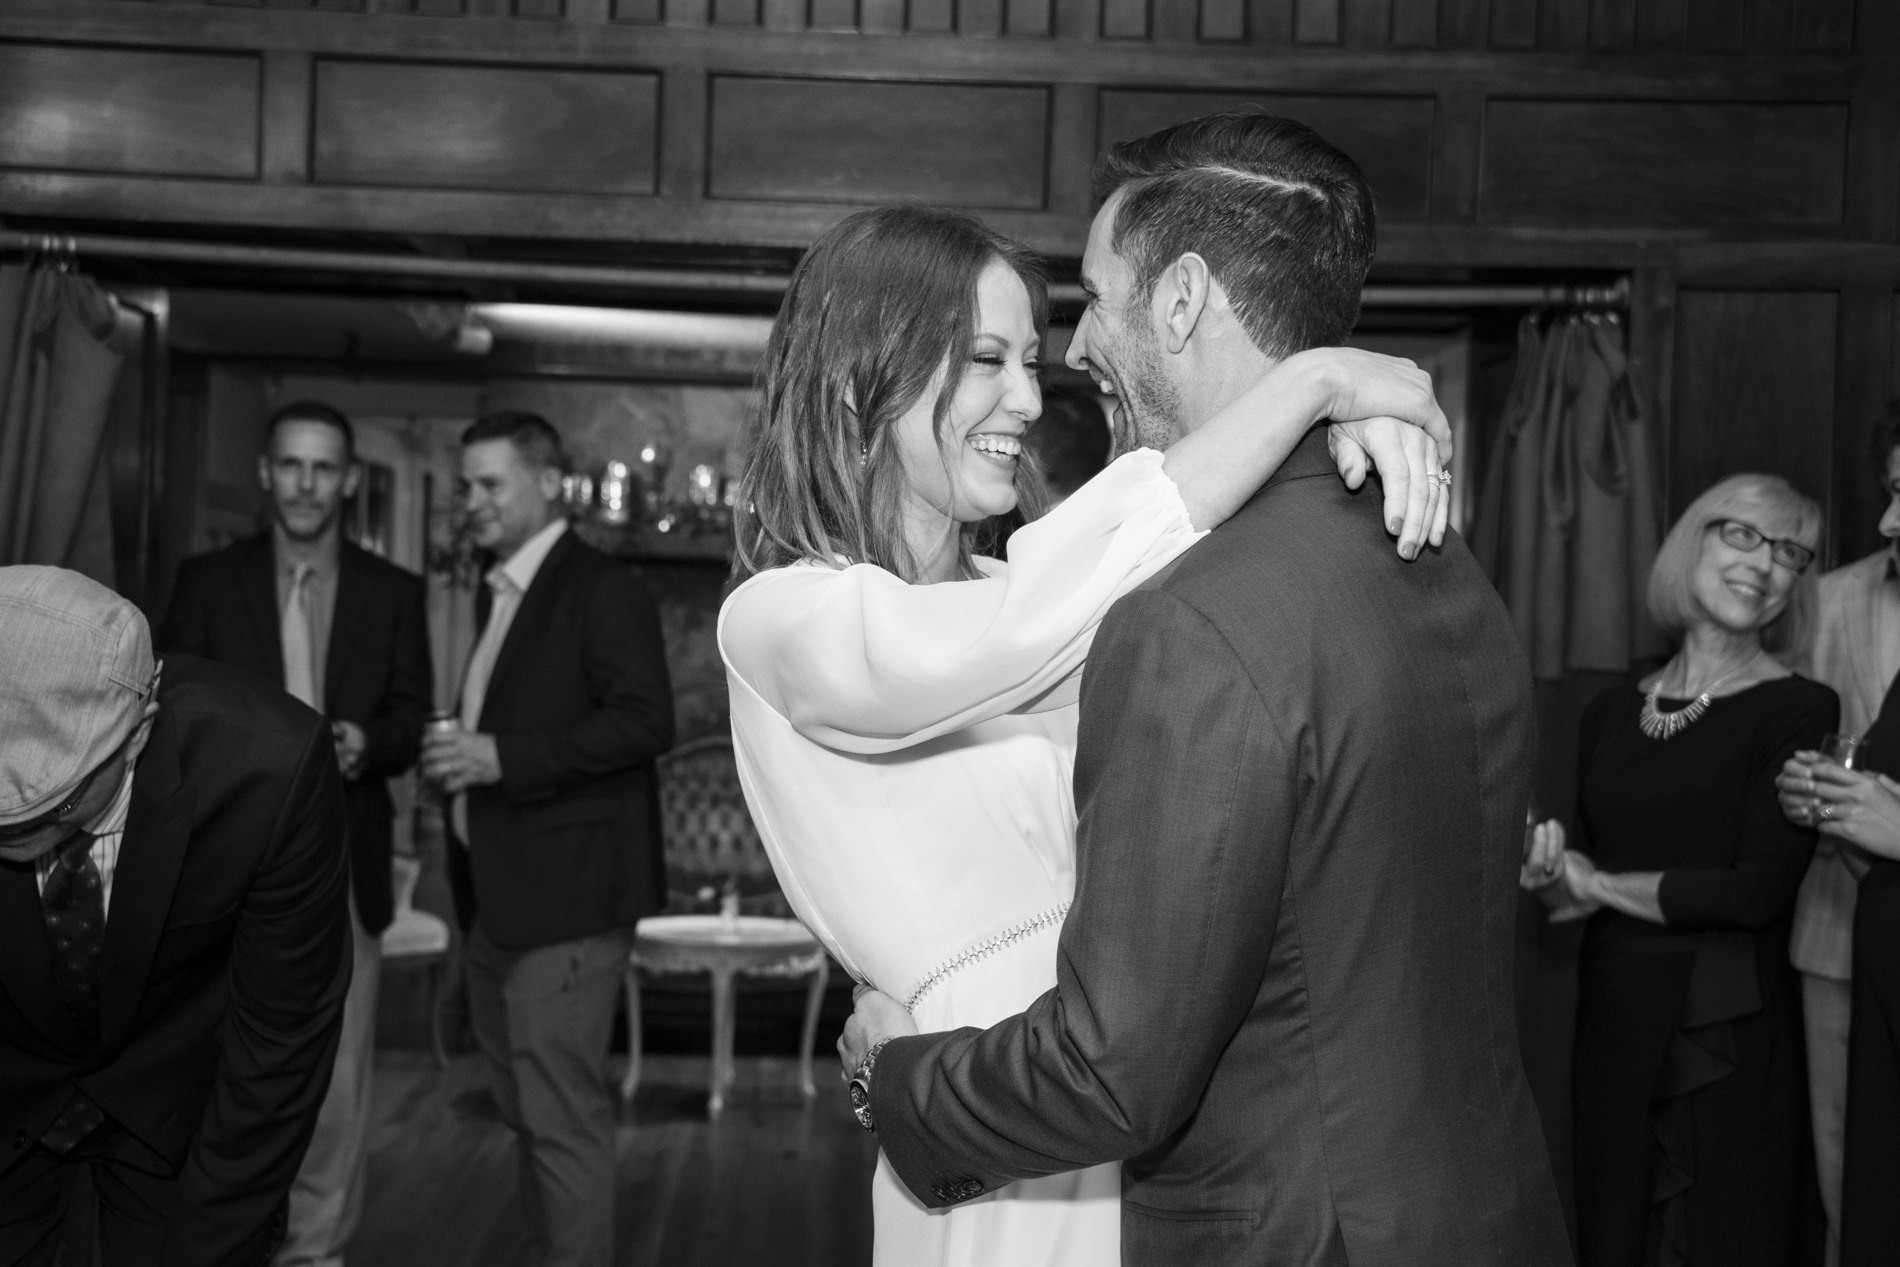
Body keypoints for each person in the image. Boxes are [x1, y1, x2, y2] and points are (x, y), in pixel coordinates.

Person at [733, 119, 1561, 1267]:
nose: (1039, 386)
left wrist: (1324, 413)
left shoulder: (1088, 595)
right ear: (857, 373)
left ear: (1178, 302)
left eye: (1045, 339)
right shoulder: (784, 617)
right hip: (1005, 1134)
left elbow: (1135, 590)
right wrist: (1315, 382)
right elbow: (1014, 627)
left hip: (1113, 1101)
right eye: (987, 358)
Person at [1523, 474, 1836, 1267]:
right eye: (1743, 536)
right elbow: (1574, 891)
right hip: (1612, 1022)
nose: (1766, 565)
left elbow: (1754, 890)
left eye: (1790, 553)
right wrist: (1548, 866)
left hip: (1724, 1025)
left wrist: (1597, 885)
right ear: (1692, 539)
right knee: (1613, 1230)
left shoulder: (1800, 707)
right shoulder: (1609, 713)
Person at [0, 565, 351, 1265]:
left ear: (139, 731)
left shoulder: (270, 771)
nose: (14, 827)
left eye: (57, 800)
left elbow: (278, 1053)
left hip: (180, 1121)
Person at [155, 399, 432, 1267]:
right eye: (291, 465)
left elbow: (410, 715)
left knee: (339, 1079)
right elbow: (166, 714)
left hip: (346, 863)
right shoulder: (205, 582)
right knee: (218, 1064)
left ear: (348, 481)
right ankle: (230, 1243)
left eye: (324, 468)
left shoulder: (394, 591)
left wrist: (366, 742)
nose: (307, 484)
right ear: (267, 473)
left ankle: (316, 1251)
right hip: (216, 869)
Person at [421, 411, 675, 1267]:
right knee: (529, 1116)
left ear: (548, 484)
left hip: (565, 904)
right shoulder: (501, 589)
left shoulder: (598, 587)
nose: (473, 502)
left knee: (560, 1122)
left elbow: (646, 721)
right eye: (467, 485)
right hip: (497, 900)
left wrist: (500, 756)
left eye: (491, 484)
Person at [1785, 401, 1900, 1267]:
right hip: (1838, 919)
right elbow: (1801, 738)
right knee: (1850, 1181)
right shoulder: (1829, 598)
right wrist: (1803, 791)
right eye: (1892, 489)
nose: (1888, 517)